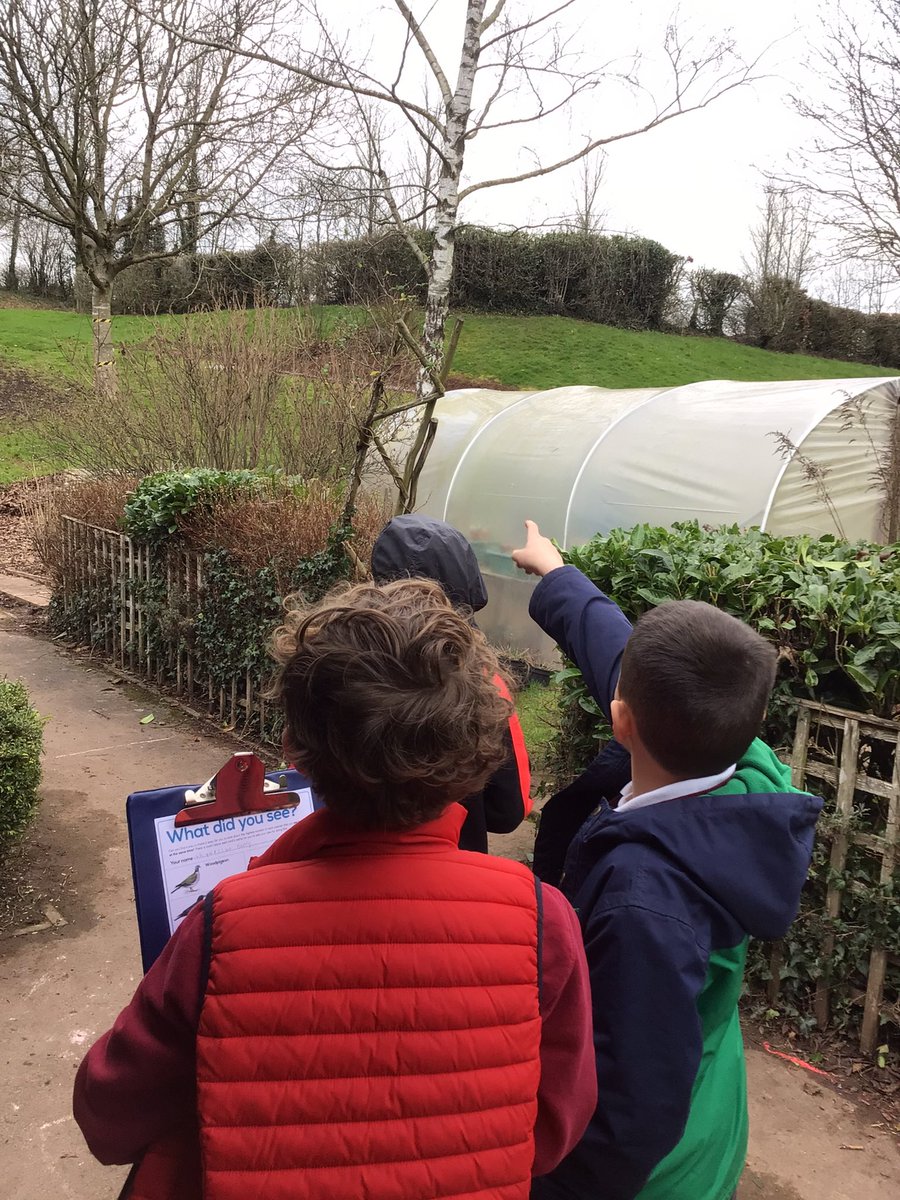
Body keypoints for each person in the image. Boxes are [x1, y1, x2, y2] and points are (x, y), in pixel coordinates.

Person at [73, 578, 597, 1200]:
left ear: (295, 748)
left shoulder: (226, 925)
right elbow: (552, 1129)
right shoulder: (541, 918)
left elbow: (109, 1117)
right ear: (476, 754)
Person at [512, 521, 823, 1200]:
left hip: (657, 1172)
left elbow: (631, 1114)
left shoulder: (643, 904)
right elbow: (627, 662)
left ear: (622, 721)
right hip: (712, 1109)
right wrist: (557, 574)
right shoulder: (748, 770)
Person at [372, 514, 532, 852]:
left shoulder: (339, 667)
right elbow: (508, 810)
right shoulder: (485, 683)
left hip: (345, 871)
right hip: (455, 865)